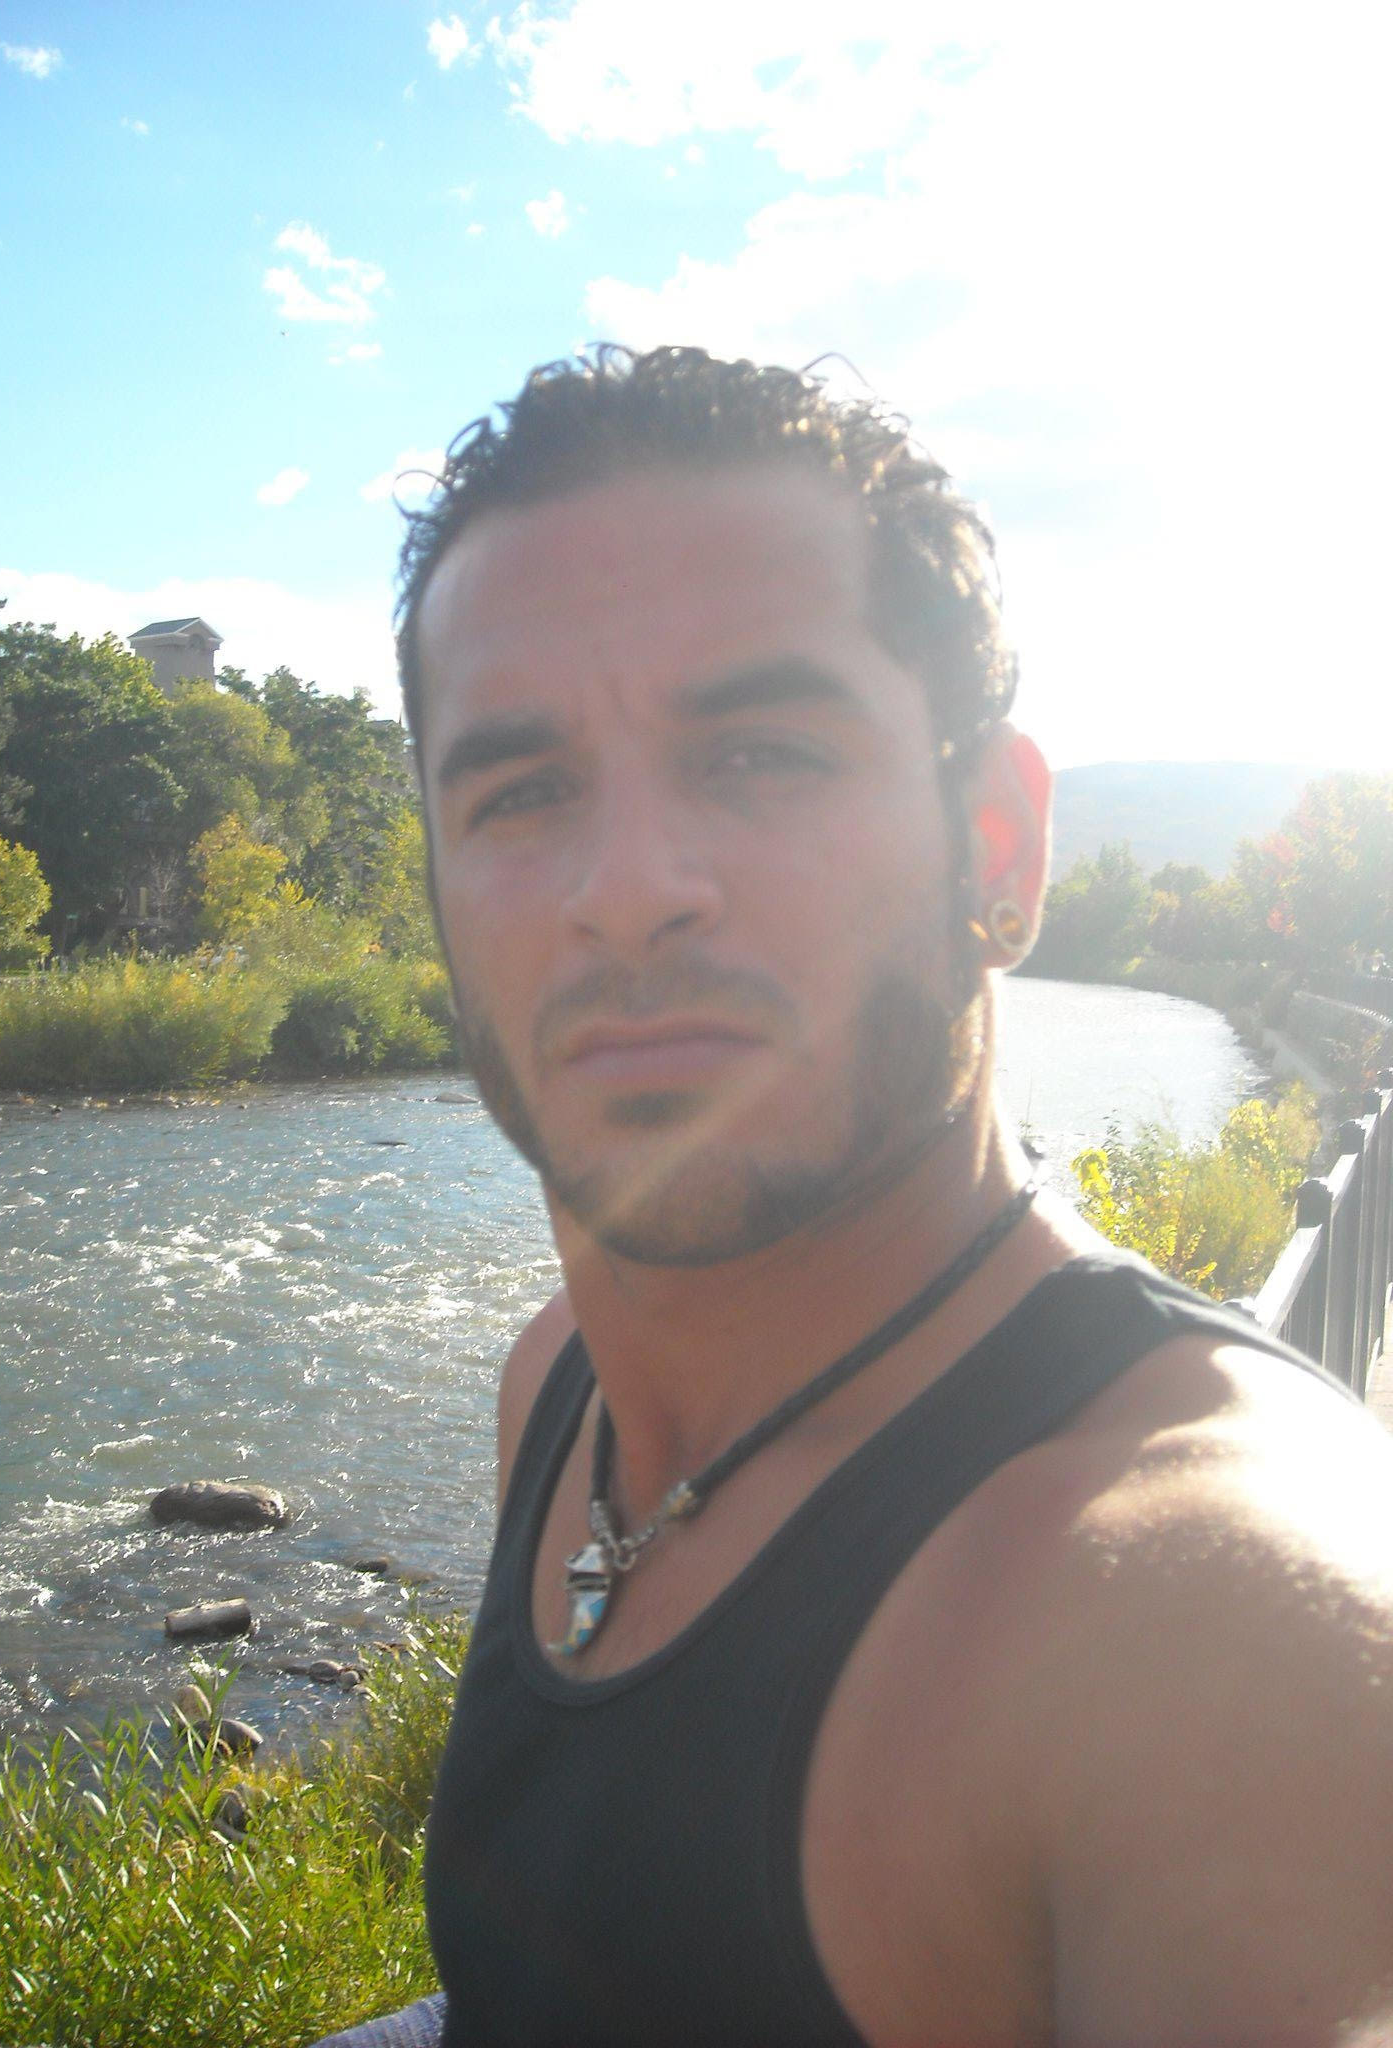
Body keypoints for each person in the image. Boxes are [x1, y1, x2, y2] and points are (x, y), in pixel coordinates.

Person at [318, 346, 1393, 2046]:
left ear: (1000, 851)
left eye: (758, 755)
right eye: (522, 792)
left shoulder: (1198, 1602)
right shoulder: (561, 1395)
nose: (628, 892)